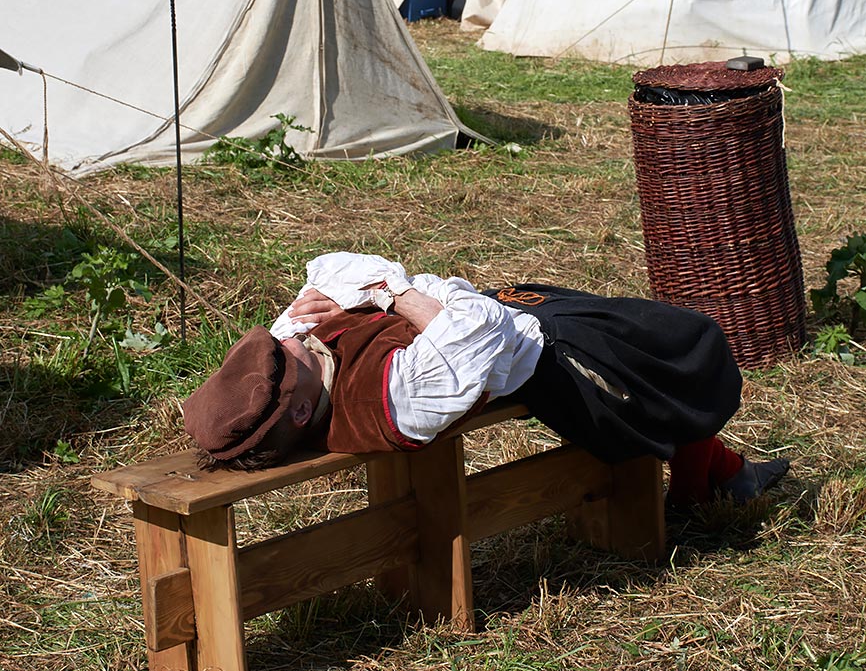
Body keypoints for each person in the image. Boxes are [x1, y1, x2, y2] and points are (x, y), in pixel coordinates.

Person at [183, 252, 790, 506]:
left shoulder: (304, 362)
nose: (290, 338)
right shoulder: (394, 399)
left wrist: (347, 296)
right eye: (287, 356)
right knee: (676, 346)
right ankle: (708, 486)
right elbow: (481, 329)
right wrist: (396, 293)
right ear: (297, 412)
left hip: (521, 321)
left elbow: (331, 264)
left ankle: (723, 475)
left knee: (658, 352)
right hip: (548, 361)